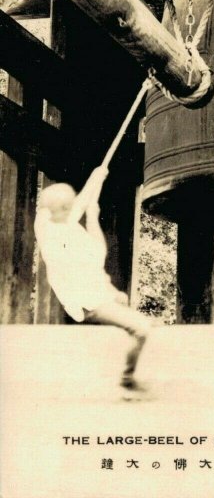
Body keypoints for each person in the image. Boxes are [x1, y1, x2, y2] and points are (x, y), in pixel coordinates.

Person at [34, 166, 151, 390]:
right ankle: (127, 380)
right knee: (142, 329)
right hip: (89, 303)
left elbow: (79, 204)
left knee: (122, 301)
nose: (71, 209)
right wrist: (93, 218)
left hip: (94, 296)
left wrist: (95, 179)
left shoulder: (56, 222)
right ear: (57, 209)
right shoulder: (56, 234)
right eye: (66, 207)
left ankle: (112, 365)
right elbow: (99, 253)